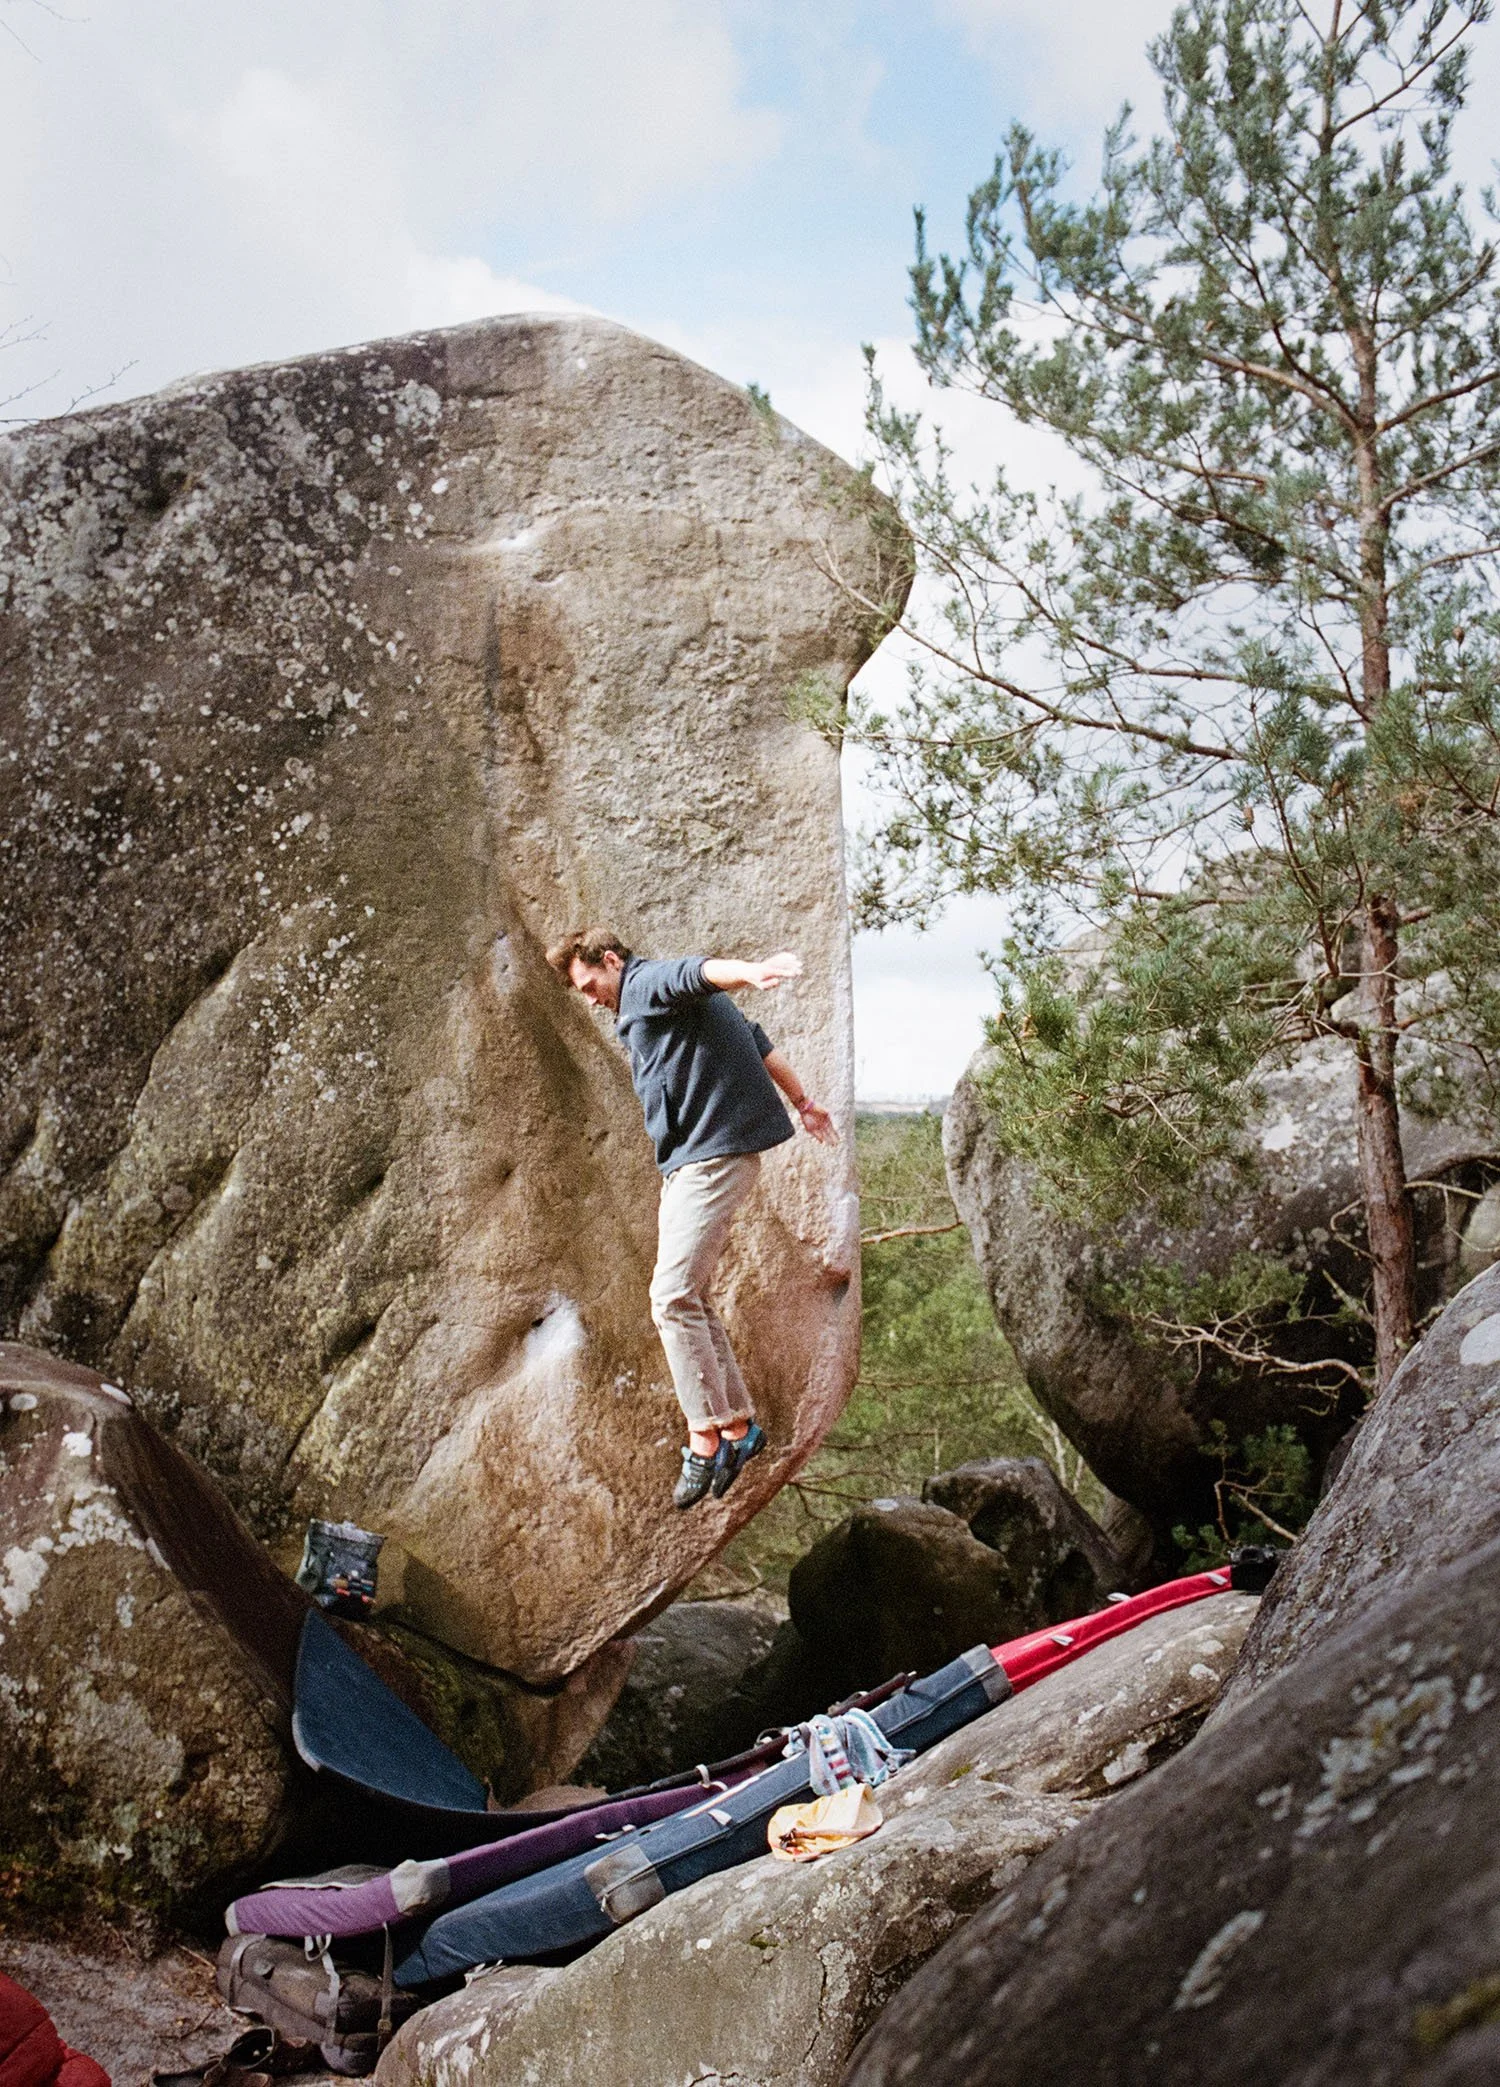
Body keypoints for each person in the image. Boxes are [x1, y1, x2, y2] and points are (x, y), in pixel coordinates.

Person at [545, 929, 837, 1508]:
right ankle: (735, 1428)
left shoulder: (647, 983)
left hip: (712, 1158)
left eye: (589, 984)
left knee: (670, 1296)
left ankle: (704, 1437)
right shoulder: (655, 1009)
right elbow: (757, 1044)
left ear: (610, 961)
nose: (591, 998)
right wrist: (803, 1104)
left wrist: (750, 970)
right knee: (690, 1297)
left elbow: (697, 971)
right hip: (693, 1163)